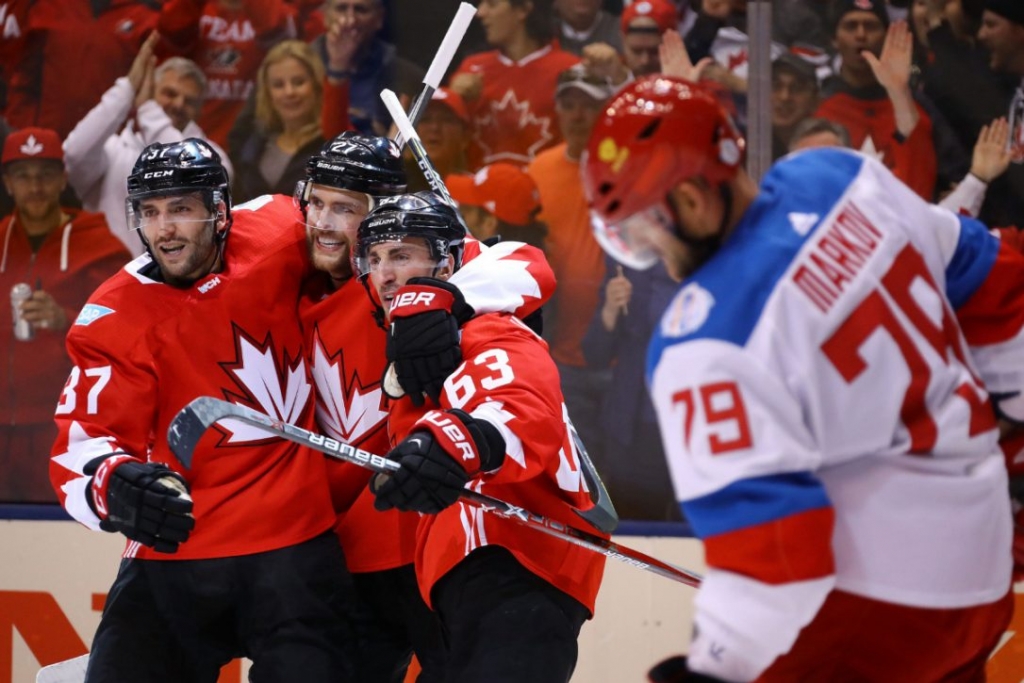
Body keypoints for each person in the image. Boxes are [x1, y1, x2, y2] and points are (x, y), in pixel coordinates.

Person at [582, 75, 1024, 681]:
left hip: (878, 605)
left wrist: (718, 665)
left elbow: (776, 553)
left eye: (642, 227)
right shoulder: (839, 177)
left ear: (690, 200)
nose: (649, 249)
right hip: (987, 563)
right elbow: (991, 279)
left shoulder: (703, 340)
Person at [49, 138, 354, 682]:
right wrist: (113, 485)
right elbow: (81, 443)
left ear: (219, 211)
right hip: (176, 555)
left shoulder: (280, 230)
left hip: (294, 551)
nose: (164, 228)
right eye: (150, 211)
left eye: (181, 208)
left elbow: (403, 244)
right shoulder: (115, 315)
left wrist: (453, 296)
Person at [296, 132, 559, 681]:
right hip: (344, 550)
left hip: (427, 534)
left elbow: (528, 263)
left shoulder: (426, 279)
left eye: (345, 208)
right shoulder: (295, 277)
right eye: (316, 202)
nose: (322, 221)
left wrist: (448, 297)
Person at [355, 191, 606, 683]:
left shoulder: (486, 327)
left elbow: (521, 406)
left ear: (448, 263)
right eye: (376, 259)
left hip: (516, 565)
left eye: (402, 255)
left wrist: (460, 440)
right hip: (465, 583)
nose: (385, 274)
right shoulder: (416, 341)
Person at [0, 128, 129, 503]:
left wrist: (66, 320)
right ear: (8, 183)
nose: (35, 186)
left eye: (45, 174)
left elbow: (125, 330)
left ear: (63, 180)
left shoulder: (98, 245)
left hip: (61, 428)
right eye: (23, 176)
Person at [64, 32, 231, 256]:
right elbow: (72, 155)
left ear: (200, 110)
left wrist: (148, 110)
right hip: (111, 278)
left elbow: (192, 168)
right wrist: (127, 89)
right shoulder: (111, 150)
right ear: (150, 90)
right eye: (169, 93)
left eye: (189, 101)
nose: (179, 104)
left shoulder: (211, 157)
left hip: (179, 282)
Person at [528, 62, 616, 471]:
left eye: (589, 105)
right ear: (557, 110)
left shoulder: (626, 165)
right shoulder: (539, 169)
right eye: (570, 104)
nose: (579, 115)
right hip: (558, 354)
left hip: (622, 355)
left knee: (623, 473)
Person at [450, 0, 580, 167]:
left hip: (545, 188)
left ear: (523, 9)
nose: (480, 12)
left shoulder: (568, 70)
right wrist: (455, 101)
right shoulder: (471, 69)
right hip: (478, 189)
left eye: (492, 4)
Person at [231, 40, 327, 202]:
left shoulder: (331, 145)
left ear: (317, 85)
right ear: (268, 93)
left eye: (298, 82)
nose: (289, 92)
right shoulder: (254, 143)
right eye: (278, 85)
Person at [446, 162, 546, 248]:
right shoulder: (529, 262)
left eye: (467, 209)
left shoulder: (488, 269)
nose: (460, 213)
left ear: (489, 223)